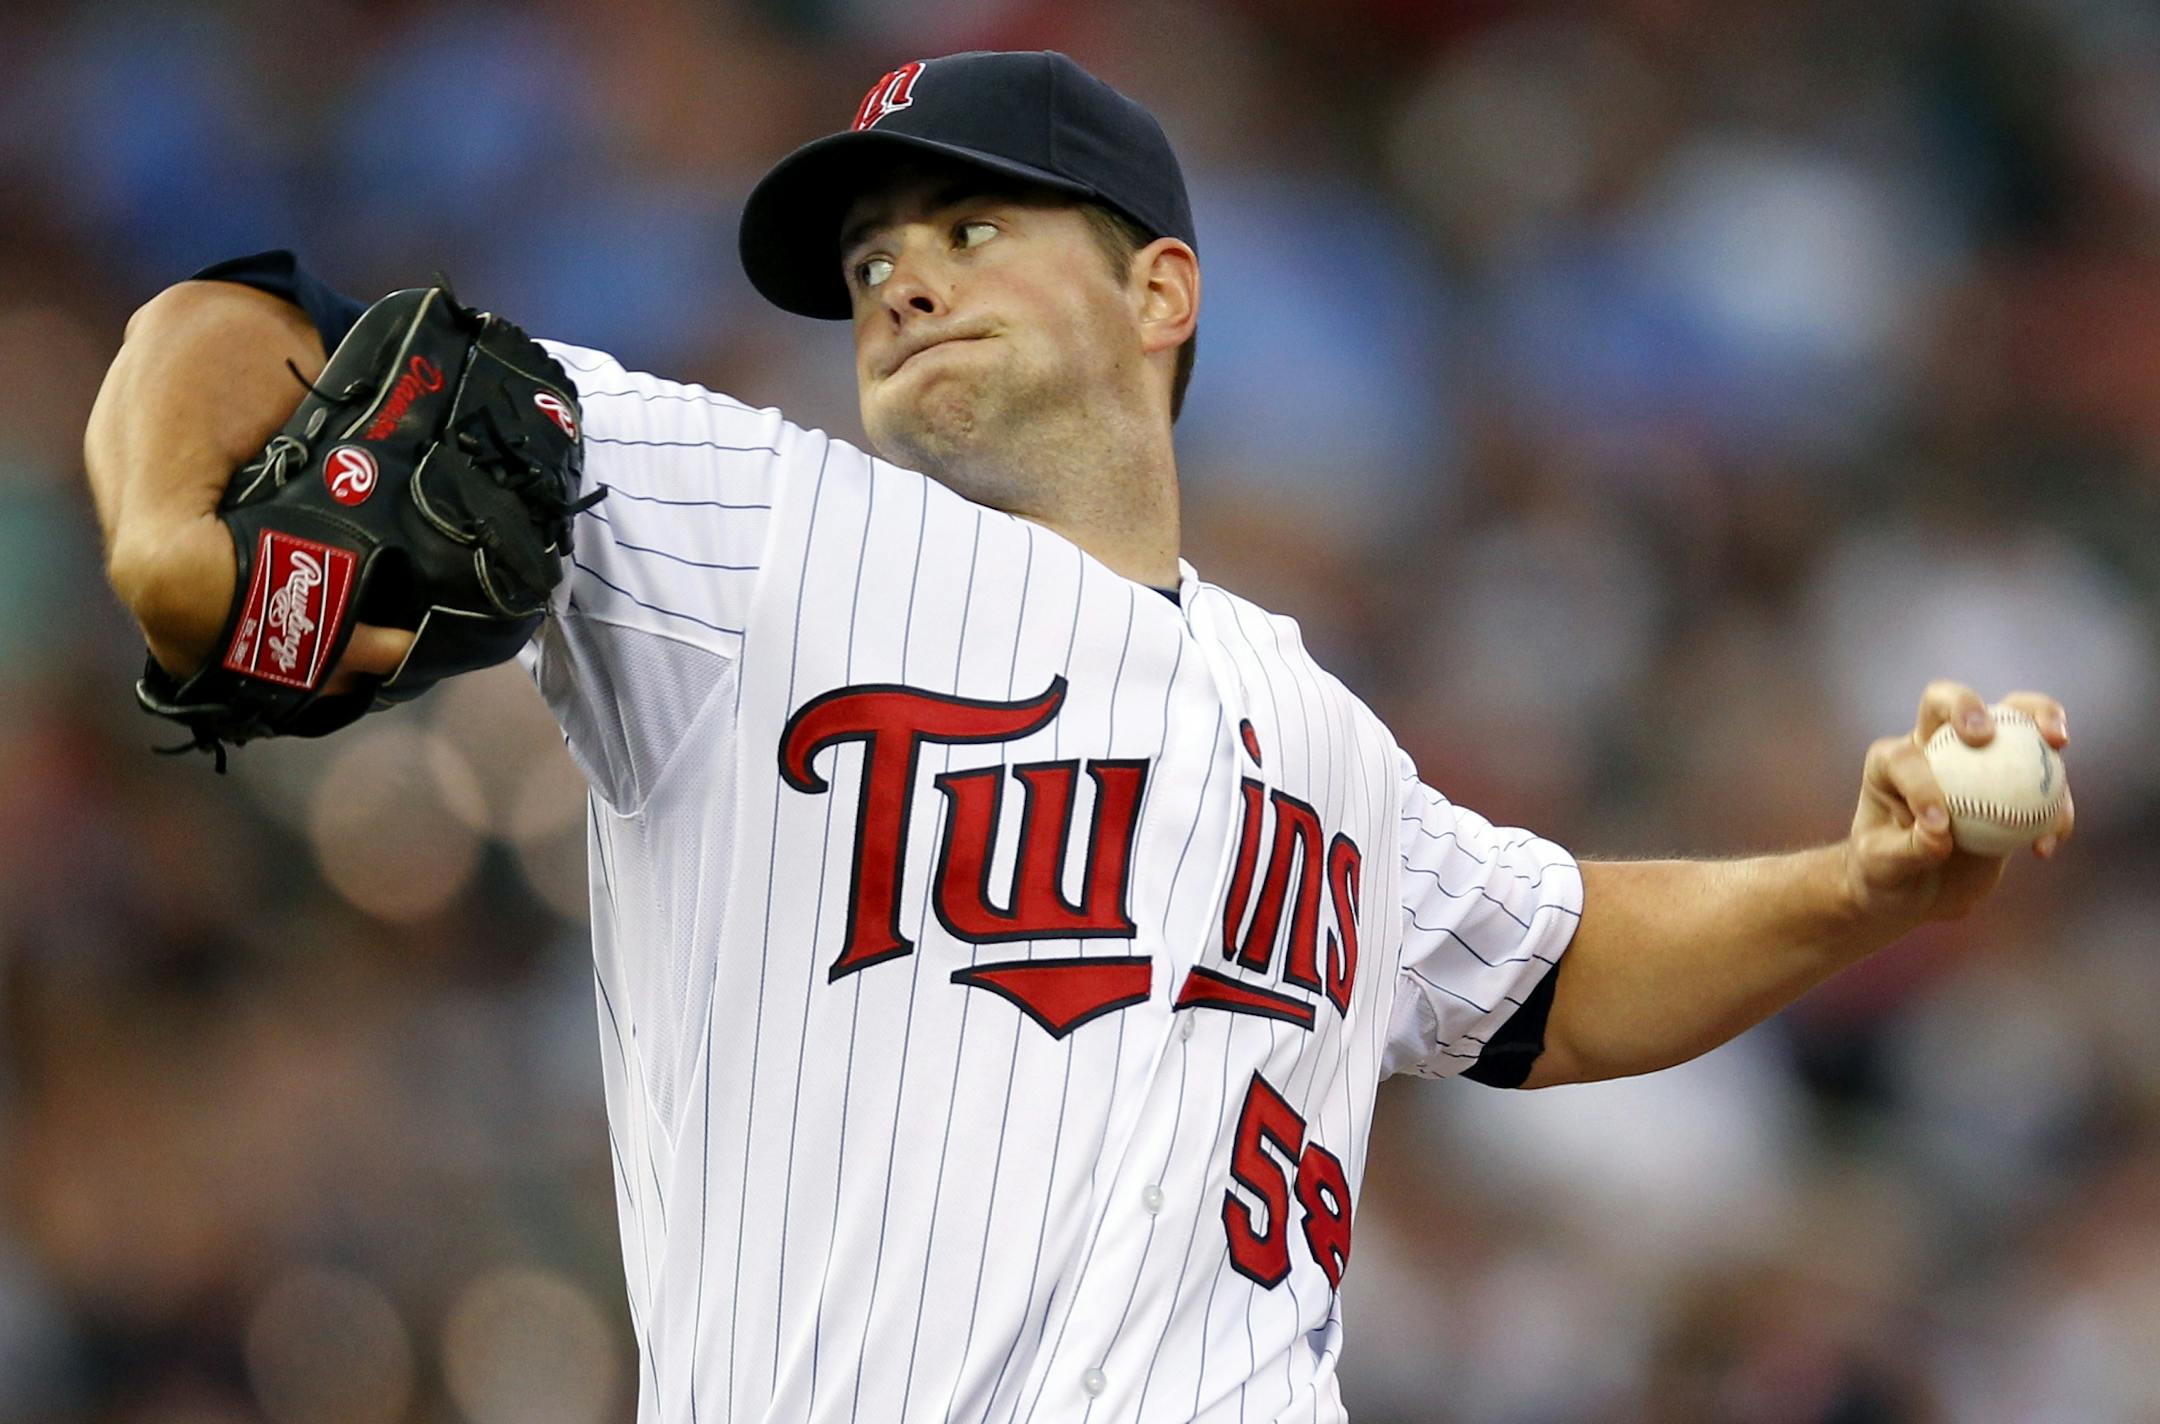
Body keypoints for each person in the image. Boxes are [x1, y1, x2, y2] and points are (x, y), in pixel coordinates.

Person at [84, 49, 2071, 1424]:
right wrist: (189, 550)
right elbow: (237, 317)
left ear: (1163, 289)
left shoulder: (1327, 736)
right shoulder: (749, 521)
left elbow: (1551, 971)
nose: (898, 279)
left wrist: (1864, 883)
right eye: (867, 264)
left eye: (964, 224)